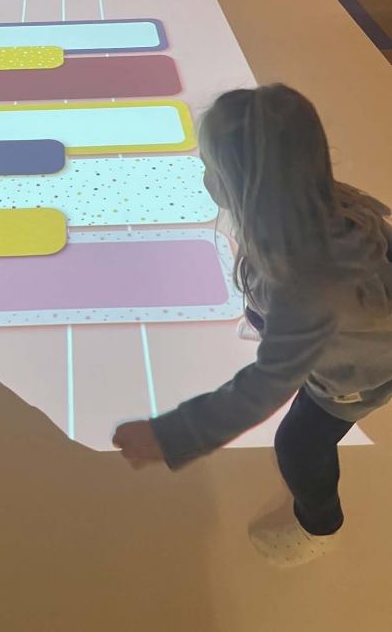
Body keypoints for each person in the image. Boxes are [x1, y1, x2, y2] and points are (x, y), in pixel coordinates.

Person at [113, 84, 392, 568]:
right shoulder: (326, 205)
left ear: (243, 186)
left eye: (209, 168)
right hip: (344, 340)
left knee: (298, 447)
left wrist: (175, 435)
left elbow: (266, 385)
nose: (203, 176)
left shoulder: (300, 280)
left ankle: (319, 527)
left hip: (350, 381)